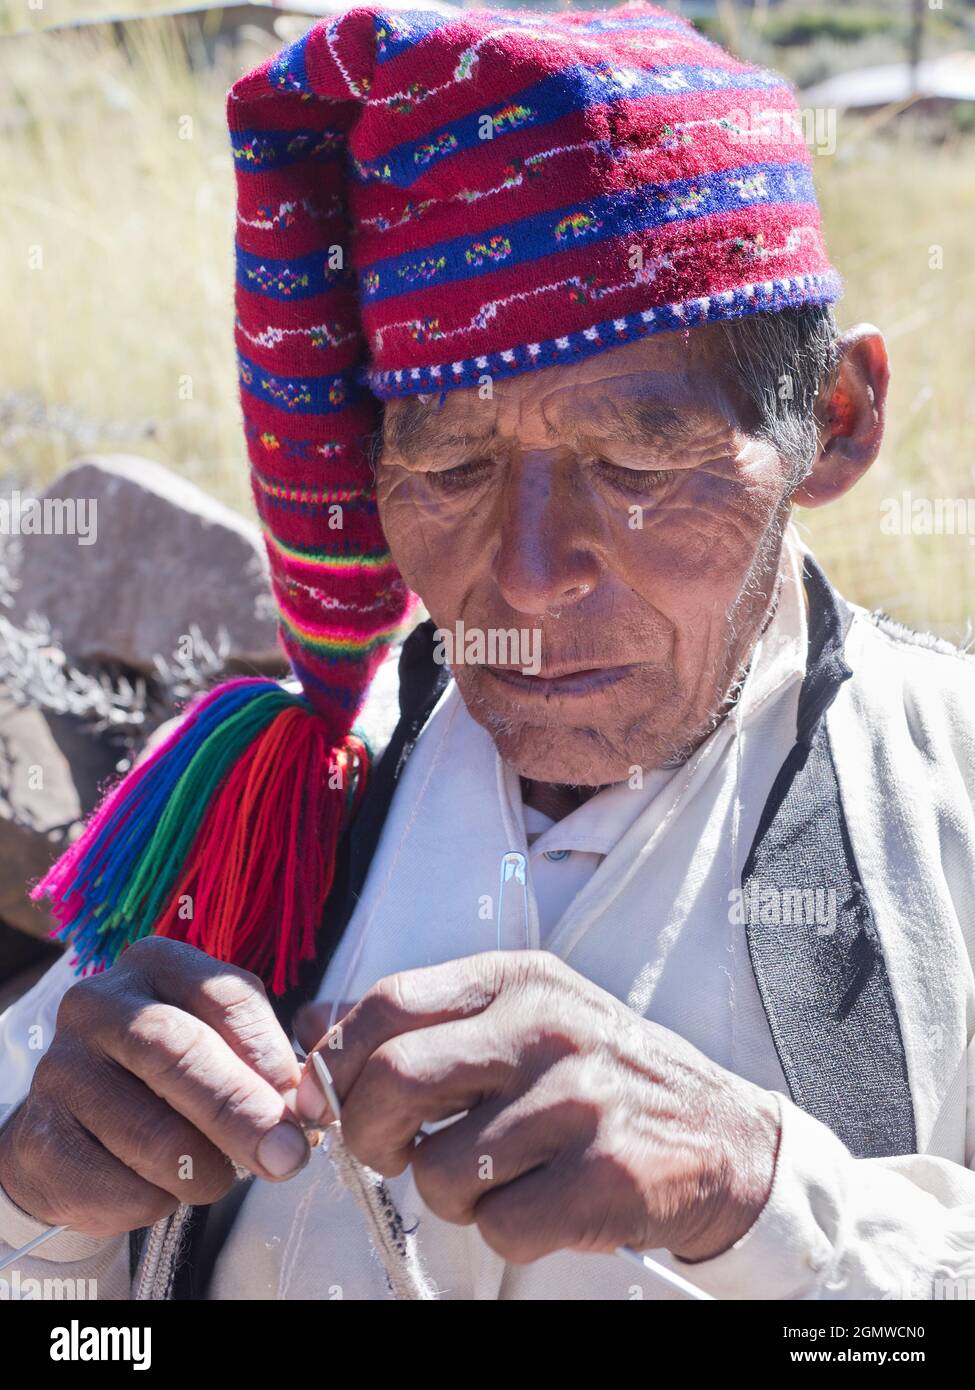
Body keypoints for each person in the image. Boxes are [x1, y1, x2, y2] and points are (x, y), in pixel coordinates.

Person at [1, 3, 973, 1301]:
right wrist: (39, 1213)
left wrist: (764, 1193)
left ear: (836, 421)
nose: (526, 573)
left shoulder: (951, 801)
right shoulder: (261, 817)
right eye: (449, 466)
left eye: (639, 463)